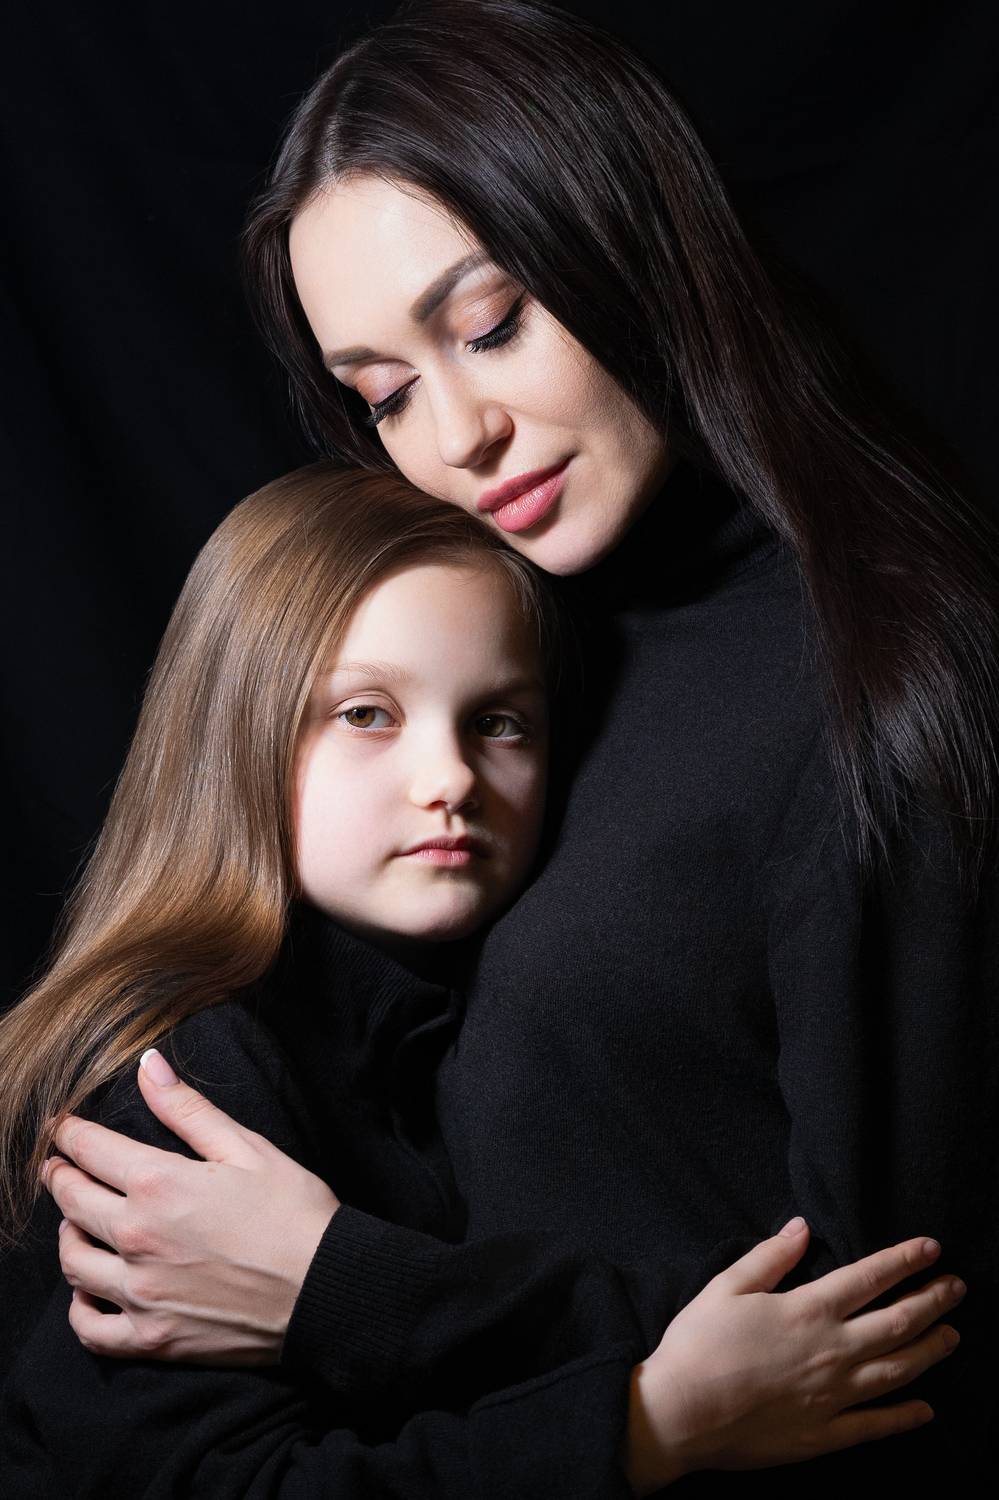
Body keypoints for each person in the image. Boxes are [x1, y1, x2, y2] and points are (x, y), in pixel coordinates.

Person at [26, 0, 999, 1485]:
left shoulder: (880, 668)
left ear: (629, 241)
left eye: (488, 326)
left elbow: (868, 1346)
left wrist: (345, 1292)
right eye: (384, 393)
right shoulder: (508, 638)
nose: (457, 435)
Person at [0, 461, 961, 1498]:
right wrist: (645, 1428)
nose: (451, 779)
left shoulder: (444, 1031)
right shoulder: (182, 1074)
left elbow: (754, 1317)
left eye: (499, 721)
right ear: (236, 734)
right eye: (366, 714)